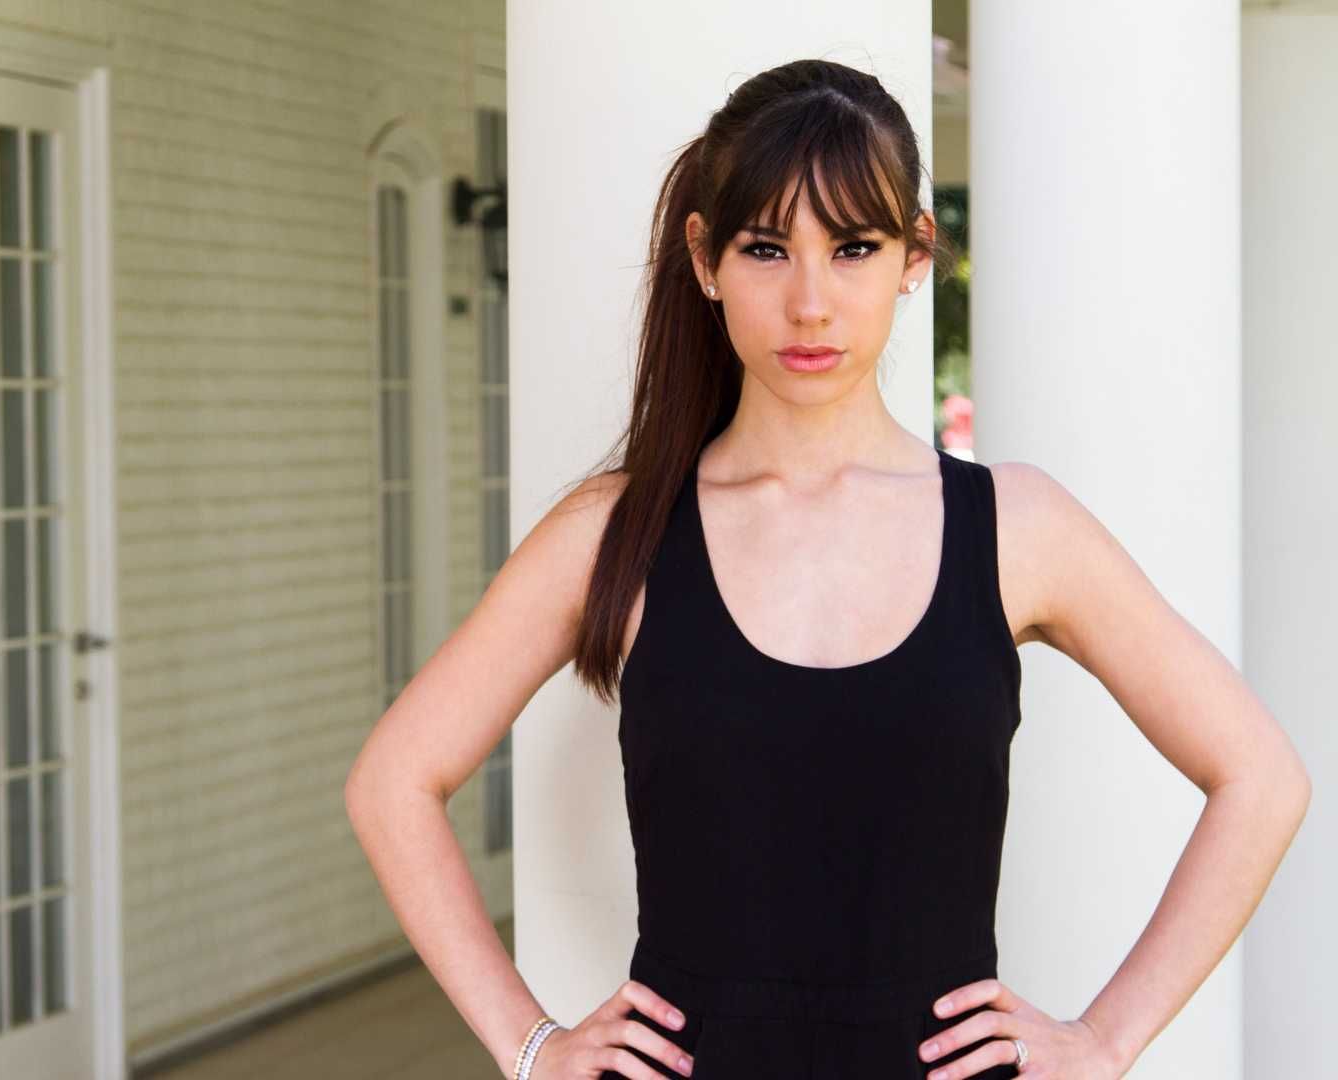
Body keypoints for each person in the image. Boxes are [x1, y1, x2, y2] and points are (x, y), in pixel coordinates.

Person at [343, 57, 1312, 1080]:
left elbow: (1261, 776)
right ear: (705, 259)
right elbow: (392, 781)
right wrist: (532, 1047)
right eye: (768, 249)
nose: (810, 302)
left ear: (914, 257)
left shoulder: (1017, 528)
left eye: (853, 247)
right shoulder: (616, 533)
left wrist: (1107, 1037)